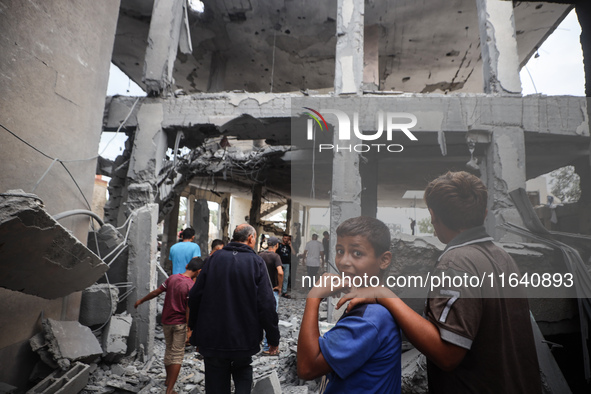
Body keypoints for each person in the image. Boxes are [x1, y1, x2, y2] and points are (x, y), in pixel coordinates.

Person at [338, 171, 542, 393]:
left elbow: (448, 355)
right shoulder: (502, 257)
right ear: (484, 214)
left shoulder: (455, 263)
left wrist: (385, 295)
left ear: (433, 216)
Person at [297, 216, 401, 394]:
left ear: (384, 260)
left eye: (357, 253)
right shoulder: (374, 306)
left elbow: (307, 368)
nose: (343, 261)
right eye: (339, 251)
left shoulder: (369, 318)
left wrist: (313, 297)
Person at [188, 224, 280, 394]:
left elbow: (194, 296)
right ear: (251, 238)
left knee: (215, 380)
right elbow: (266, 304)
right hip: (244, 338)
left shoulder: (214, 259)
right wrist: (273, 338)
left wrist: (194, 330)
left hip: (213, 337)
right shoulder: (255, 262)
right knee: (243, 370)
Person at [134, 258, 205, 394]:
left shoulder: (172, 278)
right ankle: (170, 389)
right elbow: (188, 309)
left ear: (186, 266)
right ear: (199, 271)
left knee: (169, 350)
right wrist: (190, 329)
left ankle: (168, 380)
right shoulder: (191, 286)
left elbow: (156, 292)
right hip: (180, 323)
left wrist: (141, 300)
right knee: (177, 354)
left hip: (167, 322)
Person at [259, 236, 284, 355]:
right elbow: (280, 272)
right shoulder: (276, 256)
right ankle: (267, 347)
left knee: (258, 317)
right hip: (271, 291)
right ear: (277, 245)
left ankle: (256, 343)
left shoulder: (260, 255)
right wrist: (279, 286)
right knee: (271, 319)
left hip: (260, 291)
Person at [277, 233, 292, 298]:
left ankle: (284, 291)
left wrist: (290, 245)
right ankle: (278, 289)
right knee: (279, 276)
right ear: (283, 238)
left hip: (287, 263)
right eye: (285, 238)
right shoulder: (279, 246)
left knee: (286, 278)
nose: (286, 240)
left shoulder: (289, 247)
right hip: (280, 263)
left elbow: (294, 253)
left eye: (287, 239)